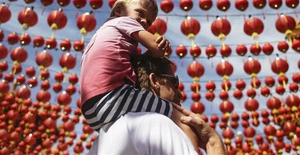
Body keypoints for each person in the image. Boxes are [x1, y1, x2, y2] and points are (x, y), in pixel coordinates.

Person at [80, 0, 193, 143]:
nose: (144, 21)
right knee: (183, 120)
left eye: (149, 21)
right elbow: (156, 47)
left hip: (91, 109)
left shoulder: (106, 34)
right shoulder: (123, 21)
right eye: (140, 13)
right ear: (119, 11)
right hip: (114, 95)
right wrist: (160, 44)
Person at [88, 54, 226, 155]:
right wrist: (213, 141)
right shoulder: (157, 123)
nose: (180, 93)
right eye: (174, 82)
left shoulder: (102, 139)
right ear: (154, 81)